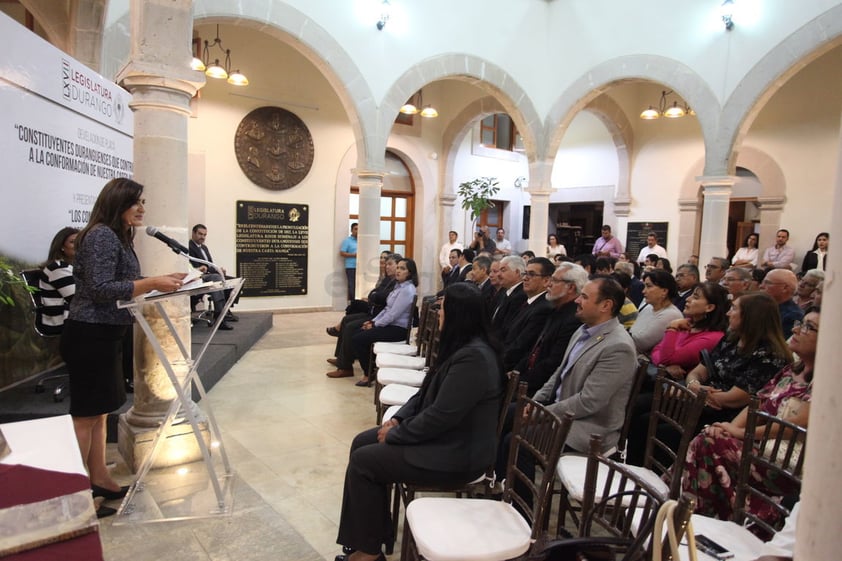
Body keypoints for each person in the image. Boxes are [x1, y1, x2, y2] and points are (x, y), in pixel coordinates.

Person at [334, 282, 504, 561]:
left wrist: (397, 435)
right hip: (448, 439)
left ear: (459, 315)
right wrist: (399, 418)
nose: (438, 315)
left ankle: (369, 552)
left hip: (459, 453)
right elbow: (425, 393)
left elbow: (442, 417)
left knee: (366, 462)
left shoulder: (475, 357)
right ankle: (372, 536)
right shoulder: (463, 348)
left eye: (443, 309)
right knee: (361, 443)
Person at [60, 178, 186, 518]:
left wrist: (159, 284)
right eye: (136, 202)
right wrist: (152, 283)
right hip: (89, 332)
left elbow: (117, 283)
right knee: (86, 416)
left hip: (105, 332)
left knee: (100, 412)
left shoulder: (116, 235)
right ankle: (76, 494)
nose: (142, 208)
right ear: (119, 203)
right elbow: (101, 288)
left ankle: (100, 479)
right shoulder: (101, 234)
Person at [682, 307, 818, 524]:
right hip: (761, 444)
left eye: (808, 327)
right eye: (801, 323)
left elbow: (795, 424)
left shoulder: (827, 381)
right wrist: (729, 427)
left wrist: (741, 432)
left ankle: (698, 517)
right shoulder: (791, 369)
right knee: (711, 434)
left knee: (708, 441)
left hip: (789, 460)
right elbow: (759, 402)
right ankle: (702, 518)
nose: (796, 329)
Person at [629, 292, 792, 467]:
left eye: (734, 309)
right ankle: (633, 472)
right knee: (638, 413)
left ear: (752, 316)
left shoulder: (770, 356)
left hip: (723, 413)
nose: (728, 313)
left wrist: (696, 392)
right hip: (699, 398)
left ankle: (659, 479)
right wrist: (694, 386)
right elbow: (697, 373)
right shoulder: (730, 339)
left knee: (661, 430)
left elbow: (736, 398)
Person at [532, 276, 637, 453]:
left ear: (606, 305)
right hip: (563, 410)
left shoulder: (618, 347)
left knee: (514, 440)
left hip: (587, 428)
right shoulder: (583, 329)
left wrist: (543, 414)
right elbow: (561, 372)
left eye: (585, 297)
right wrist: (536, 401)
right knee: (509, 415)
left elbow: (589, 401)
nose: (577, 300)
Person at [327, 258, 418, 386]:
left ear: (410, 272)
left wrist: (375, 325)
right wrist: (372, 321)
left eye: (402, 269)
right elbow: (387, 309)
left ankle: (369, 373)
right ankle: (370, 368)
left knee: (359, 339)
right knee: (358, 332)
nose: (398, 271)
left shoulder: (407, 290)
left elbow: (393, 315)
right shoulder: (398, 287)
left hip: (398, 329)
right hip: (389, 324)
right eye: (398, 267)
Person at [516, 263, 586, 396]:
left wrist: (521, 381)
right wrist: (516, 374)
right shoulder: (556, 310)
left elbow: (553, 364)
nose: (548, 284)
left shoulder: (573, 319)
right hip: (529, 380)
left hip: (543, 389)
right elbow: (534, 351)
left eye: (554, 281)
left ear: (570, 287)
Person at [327, 254, 400, 369]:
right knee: (348, 316)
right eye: (386, 264)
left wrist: (374, 299)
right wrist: (374, 296)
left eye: (390, 264)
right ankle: (341, 359)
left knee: (350, 326)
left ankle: (345, 366)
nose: (386, 266)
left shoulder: (397, 283)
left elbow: (382, 298)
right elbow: (375, 293)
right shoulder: (388, 279)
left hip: (379, 315)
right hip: (376, 311)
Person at [651, 282, 729, 381]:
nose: (687, 299)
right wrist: (665, 366)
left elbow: (665, 358)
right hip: (662, 380)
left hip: (677, 390)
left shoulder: (712, 337)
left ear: (709, 307)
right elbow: (656, 350)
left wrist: (672, 328)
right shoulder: (686, 323)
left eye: (695, 297)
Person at [502, 257, 554, 371]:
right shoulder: (529, 302)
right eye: (525, 273)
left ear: (546, 281)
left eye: (531, 274)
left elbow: (521, 346)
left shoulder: (543, 308)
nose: (525, 278)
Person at [189, 224, 234, 330]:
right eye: (200, 234)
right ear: (193, 233)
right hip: (197, 276)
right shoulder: (188, 246)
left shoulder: (204, 247)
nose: (202, 237)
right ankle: (219, 318)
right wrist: (200, 269)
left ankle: (226, 311)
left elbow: (210, 265)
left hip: (209, 274)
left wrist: (219, 270)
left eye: (204, 235)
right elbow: (190, 266)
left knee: (231, 280)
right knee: (216, 278)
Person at [629, 269, 683, 355]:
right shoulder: (648, 307)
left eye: (649, 286)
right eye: (644, 286)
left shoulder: (671, 315)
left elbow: (640, 343)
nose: (643, 291)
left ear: (664, 291)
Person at [38, 227, 79, 335]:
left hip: (73, 319)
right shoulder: (57, 268)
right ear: (61, 246)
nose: (78, 245)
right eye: (72, 242)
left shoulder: (74, 266)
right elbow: (77, 298)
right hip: (60, 323)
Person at [490, 255, 527, 341]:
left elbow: (506, 329)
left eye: (503, 270)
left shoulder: (521, 296)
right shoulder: (504, 290)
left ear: (517, 272)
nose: (498, 274)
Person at [760, 268, 803, 337]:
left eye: (768, 283)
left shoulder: (793, 316)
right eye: (762, 282)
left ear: (785, 288)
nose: (761, 286)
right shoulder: (761, 307)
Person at [339, 223, 359, 300]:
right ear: (351, 230)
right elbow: (342, 253)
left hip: (361, 267)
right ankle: (353, 303)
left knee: (360, 286)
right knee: (352, 285)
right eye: (355, 229)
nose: (357, 231)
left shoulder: (362, 240)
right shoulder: (347, 241)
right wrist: (354, 255)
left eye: (358, 229)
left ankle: (360, 303)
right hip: (351, 267)